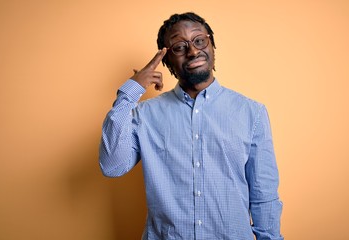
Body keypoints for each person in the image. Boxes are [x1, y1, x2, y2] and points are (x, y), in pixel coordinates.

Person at [99, 12, 283, 240]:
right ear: (166, 61)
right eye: (179, 47)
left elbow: (263, 194)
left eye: (199, 41)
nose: (193, 51)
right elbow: (112, 166)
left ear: (212, 46)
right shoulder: (144, 115)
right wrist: (130, 92)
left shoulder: (251, 113)